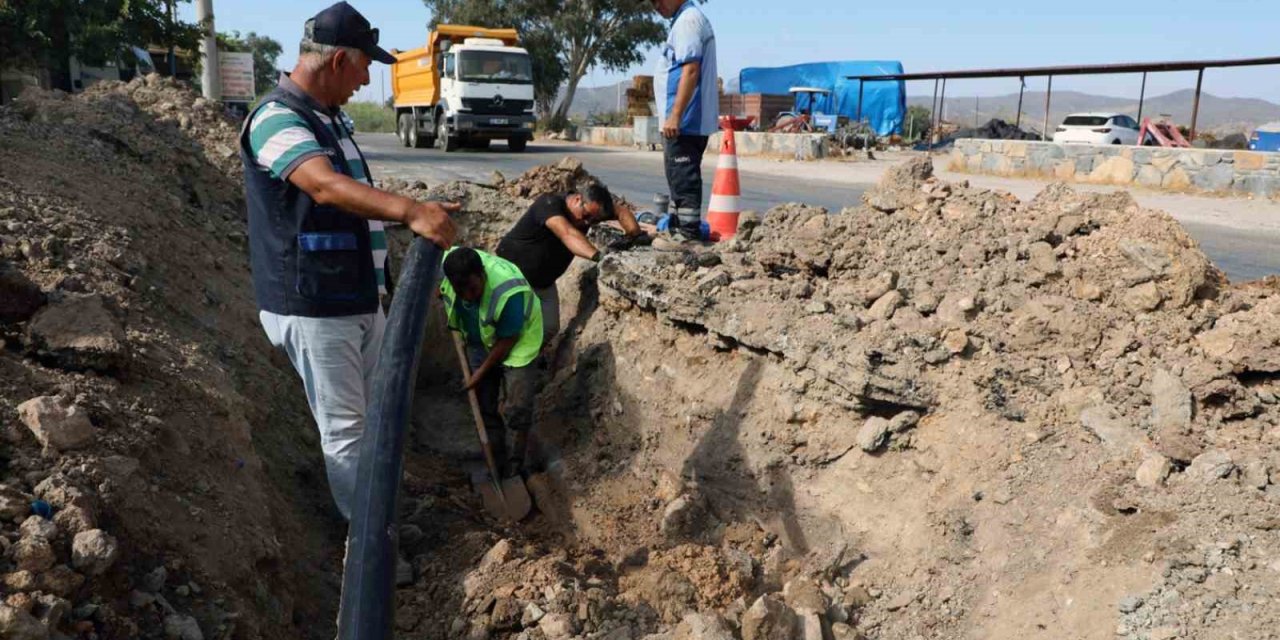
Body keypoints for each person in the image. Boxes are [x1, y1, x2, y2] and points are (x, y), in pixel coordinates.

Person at [240, 1, 458, 520]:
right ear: (339, 60)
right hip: (315, 304)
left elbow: (355, 193)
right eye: (365, 66)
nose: (367, 80)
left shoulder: (329, 118)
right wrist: (409, 211)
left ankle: (382, 504)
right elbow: (322, 185)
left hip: (356, 295)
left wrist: (415, 211)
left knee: (375, 416)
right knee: (345, 431)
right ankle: (370, 546)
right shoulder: (276, 118)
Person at [495, 183, 643, 348]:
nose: (588, 222)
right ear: (578, 199)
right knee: (504, 323)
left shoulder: (592, 209)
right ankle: (495, 360)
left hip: (542, 283)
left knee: (549, 328)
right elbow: (567, 233)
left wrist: (633, 235)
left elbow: (620, 211)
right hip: (510, 273)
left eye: (593, 219)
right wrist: (600, 258)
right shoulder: (549, 204)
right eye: (586, 216)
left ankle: (520, 359)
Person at [440, 248, 543, 478]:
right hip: (479, 342)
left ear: (482, 273)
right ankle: (496, 464)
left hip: (518, 343)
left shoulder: (509, 290)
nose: (467, 296)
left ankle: (518, 465)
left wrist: (479, 374)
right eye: (460, 291)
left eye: (473, 289)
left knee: (518, 408)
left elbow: (508, 339)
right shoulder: (448, 262)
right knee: (484, 404)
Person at [652, 0, 719, 241]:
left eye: (657, 0)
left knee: (684, 175)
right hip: (681, 120)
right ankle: (677, 229)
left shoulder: (688, 21)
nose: (655, 6)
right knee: (677, 178)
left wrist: (676, 116)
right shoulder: (682, 20)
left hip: (686, 120)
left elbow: (691, 70)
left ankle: (688, 237)